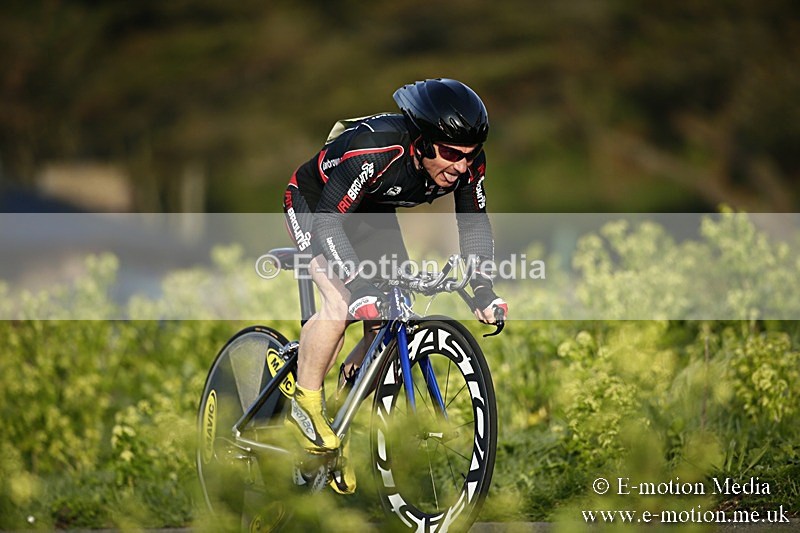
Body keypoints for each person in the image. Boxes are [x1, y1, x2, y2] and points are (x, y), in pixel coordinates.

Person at [281, 78, 508, 494]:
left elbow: (474, 223)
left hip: (372, 211)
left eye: (469, 156)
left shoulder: (468, 163)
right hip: (318, 205)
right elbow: (330, 221)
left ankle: (336, 418)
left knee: (387, 319)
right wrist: (357, 281)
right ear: (422, 142)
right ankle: (306, 405)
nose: (460, 166)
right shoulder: (379, 150)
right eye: (451, 154)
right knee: (343, 299)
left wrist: (483, 290)